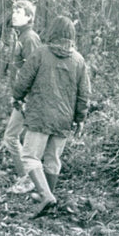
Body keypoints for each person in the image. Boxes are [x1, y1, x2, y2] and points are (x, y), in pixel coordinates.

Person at [12, 16, 90, 218]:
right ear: (72, 36)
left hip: (40, 115)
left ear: (52, 32)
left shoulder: (40, 54)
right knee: (53, 159)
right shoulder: (79, 61)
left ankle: (46, 196)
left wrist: (17, 98)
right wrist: (80, 119)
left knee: (29, 157)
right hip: (64, 118)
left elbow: (23, 80)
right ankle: (48, 196)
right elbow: (84, 94)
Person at [3, 0, 42, 195]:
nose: (14, 15)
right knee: (18, 138)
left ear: (29, 17)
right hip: (23, 97)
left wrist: (25, 97)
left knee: (11, 137)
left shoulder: (30, 38)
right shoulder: (21, 36)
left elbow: (35, 71)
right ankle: (31, 177)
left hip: (29, 98)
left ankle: (27, 179)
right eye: (14, 11)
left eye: (19, 12)